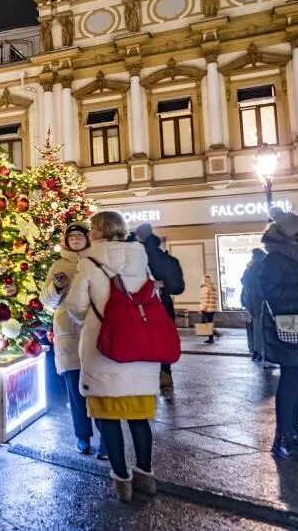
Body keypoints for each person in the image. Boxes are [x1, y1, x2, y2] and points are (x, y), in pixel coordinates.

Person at [65, 212, 160, 502]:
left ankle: (122, 481)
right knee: (139, 418)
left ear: (98, 231)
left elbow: (76, 307)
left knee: (108, 419)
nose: (89, 232)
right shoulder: (140, 258)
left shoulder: (90, 261)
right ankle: (146, 476)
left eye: (91, 228)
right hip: (140, 350)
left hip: (104, 350)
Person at [40, 223, 106, 459]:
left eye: (80, 235)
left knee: (99, 387)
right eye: (72, 236)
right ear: (66, 240)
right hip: (68, 330)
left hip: (94, 328)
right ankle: (83, 436)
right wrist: (57, 287)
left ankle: (106, 437)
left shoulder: (97, 260)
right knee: (75, 389)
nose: (76, 239)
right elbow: (46, 299)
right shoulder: (58, 265)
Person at [259, 206, 298, 460]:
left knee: (297, 383)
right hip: (289, 328)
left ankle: (293, 431)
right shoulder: (275, 259)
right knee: (290, 380)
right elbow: (270, 294)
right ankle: (282, 435)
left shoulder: (294, 256)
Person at [135, 224, 185, 395]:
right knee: (163, 341)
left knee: (142, 342)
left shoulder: (135, 257)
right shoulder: (168, 260)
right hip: (163, 306)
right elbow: (178, 288)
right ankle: (165, 375)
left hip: (139, 307)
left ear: (139, 237)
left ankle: (144, 381)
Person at [241, 249, 267, 362]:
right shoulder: (264, 266)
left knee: (256, 326)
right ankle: (263, 352)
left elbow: (243, 281)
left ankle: (256, 351)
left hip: (253, 302)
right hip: (263, 301)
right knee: (265, 327)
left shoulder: (250, 268)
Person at [199, 275, 218, 344]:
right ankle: (212, 336)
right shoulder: (212, 288)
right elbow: (215, 299)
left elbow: (205, 299)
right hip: (212, 309)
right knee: (209, 323)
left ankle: (212, 337)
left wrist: (202, 308)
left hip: (207, 309)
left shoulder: (205, 288)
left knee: (207, 323)